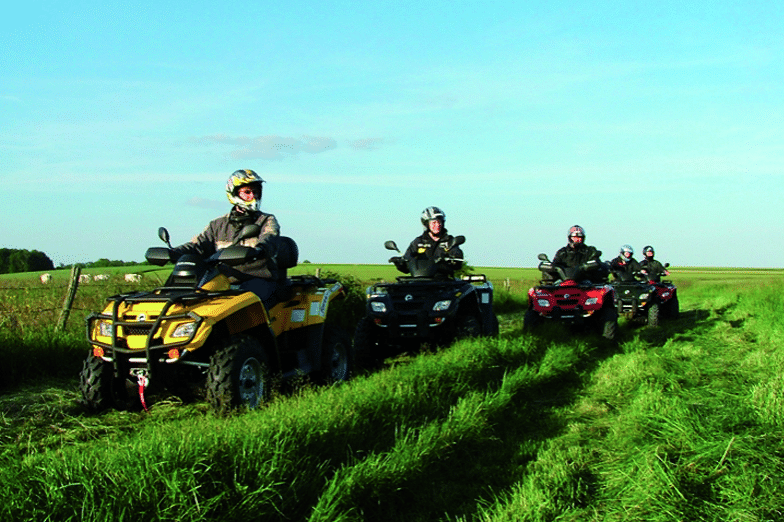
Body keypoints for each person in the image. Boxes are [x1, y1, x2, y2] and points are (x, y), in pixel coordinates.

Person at [172, 169, 281, 303]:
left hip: (257, 278)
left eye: (255, 191)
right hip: (220, 280)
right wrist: (174, 252)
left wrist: (260, 248)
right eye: (247, 192)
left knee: (246, 305)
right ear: (234, 193)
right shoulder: (217, 224)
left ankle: (263, 324)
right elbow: (198, 245)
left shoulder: (266, 220)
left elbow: (270, 236)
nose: (253, 195)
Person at [392, 206, 464, 276]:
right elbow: (408, 263)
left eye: (439, 222)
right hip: (420, 281)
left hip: (444, 281)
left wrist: (452, 258)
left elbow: (457, 259)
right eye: (434, 223)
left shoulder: (449, 241)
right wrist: (400, 264)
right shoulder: (418, 242)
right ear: (426, 224)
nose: (437, 225)